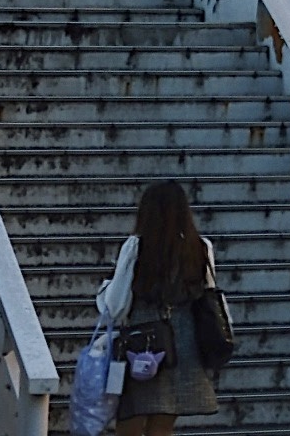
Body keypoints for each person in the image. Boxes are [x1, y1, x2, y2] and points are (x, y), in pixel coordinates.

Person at [96, 181, 222, 432]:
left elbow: (115, 305)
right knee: (162, 428)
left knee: (129, 425)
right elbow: (209, 295)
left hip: (141, 345)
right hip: (184, 347)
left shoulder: (135, 247)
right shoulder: (201, 248)